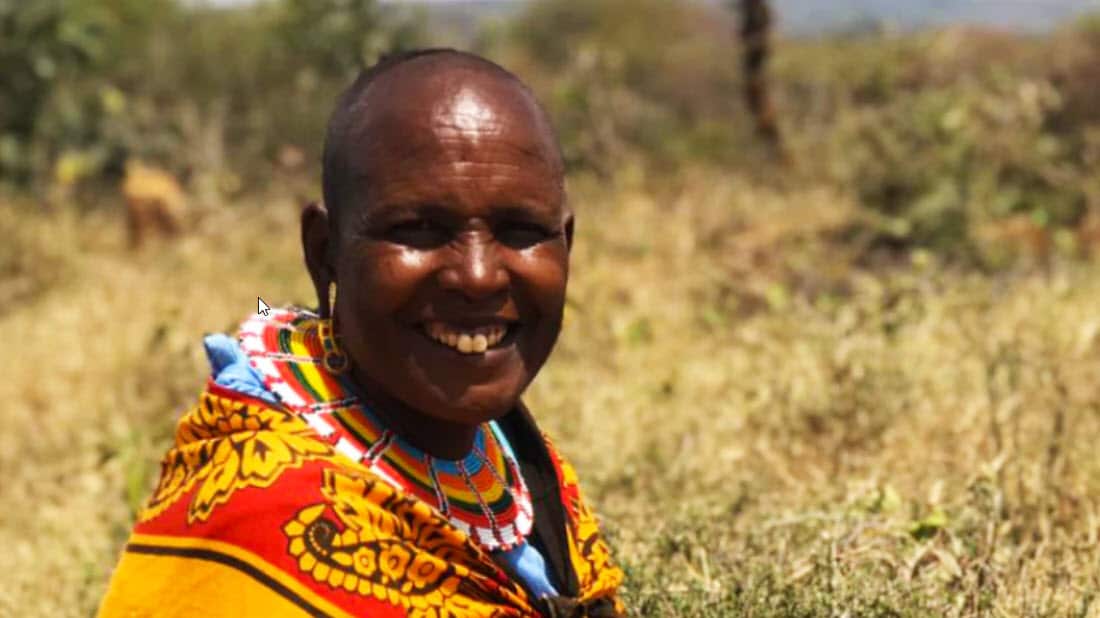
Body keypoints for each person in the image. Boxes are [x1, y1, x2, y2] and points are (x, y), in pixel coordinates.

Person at [97, 49, 625, 617]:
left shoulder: (517, 461)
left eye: (521, 231)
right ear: (325, 254)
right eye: (418, 230)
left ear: (565, 245)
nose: (477, 277)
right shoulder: (263, 514)